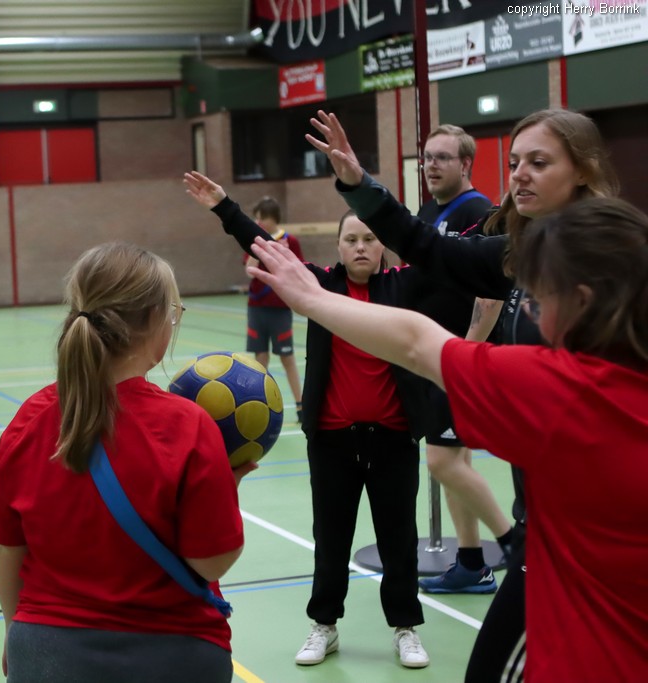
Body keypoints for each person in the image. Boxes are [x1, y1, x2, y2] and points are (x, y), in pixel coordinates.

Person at [245, 196, 648, 683]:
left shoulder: (550, 388)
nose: (532, 311)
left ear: (581, 301)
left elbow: (417, 342)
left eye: (540, 297)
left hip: (582, 646)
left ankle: (439, 595)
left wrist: (311, 300)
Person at [304, 108, 620, 682]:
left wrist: (312, 299)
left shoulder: (611, 263)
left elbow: (418, 342)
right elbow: (428, 247)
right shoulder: (518, 254)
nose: (519, 174)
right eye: (515, 162)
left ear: (583, 170)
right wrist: (358, 183)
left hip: (591, 529)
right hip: (545, 519)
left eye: (539, 162)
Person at [184, 172, 431, 670]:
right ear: (337, 247)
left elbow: (445, 263)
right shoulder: (320, 284)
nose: (360, 248)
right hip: (333, 440)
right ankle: (325, 625)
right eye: (351, 239)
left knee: (399, 538)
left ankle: (405, 628)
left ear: (383, 247)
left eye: (370, 239)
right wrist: (225, 207)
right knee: (331, 537)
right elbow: (264, 246)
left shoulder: (403, 285)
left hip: (393, 439)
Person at [0, 242, 253, 683]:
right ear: (154, 320)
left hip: (45, 653)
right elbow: (211, 562)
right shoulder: (187, 425)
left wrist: (14, 631)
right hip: (172, 652)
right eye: (174, 312)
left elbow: (6, 549)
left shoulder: (28, 420)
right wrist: (227, 489)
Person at [415, 124, 514, 594]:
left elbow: (491, 293)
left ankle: (515, 544)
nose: (431, 165)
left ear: (465, 164)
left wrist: (464, 358)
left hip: (458, 359)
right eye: (427, 157)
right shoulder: (427, 212)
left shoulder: (481, 213)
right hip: (433, 355)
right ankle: (471, 563)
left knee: (442, 461)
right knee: (453, 458)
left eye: (442, 157)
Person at [243, 196, 305, 424]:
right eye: (256, 219)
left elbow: (299, 270)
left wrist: (283, 254)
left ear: (272, 218)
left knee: (287, 357)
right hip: (257, 309)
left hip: (280, 309)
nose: (258, 222)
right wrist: (256, 251)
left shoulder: (290, 240)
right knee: (260, 359)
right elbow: (249, 271)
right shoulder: (254, 240)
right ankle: (259, 407)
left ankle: (301, 407)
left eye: (261, 218)